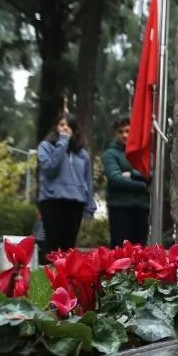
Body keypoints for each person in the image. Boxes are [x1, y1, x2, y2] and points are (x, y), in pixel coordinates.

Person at [37, 112, 95, 262]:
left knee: (68, 246)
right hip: (52, 200)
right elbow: (49, 169)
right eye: (61, 125)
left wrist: (90, 204)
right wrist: (62, 142)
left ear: (75, 130)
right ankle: (51, 277)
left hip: (75, 201)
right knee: (53, 244)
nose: (65, 128)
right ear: (55, 127)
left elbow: (87, 180)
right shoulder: (45, 147)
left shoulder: (82, 153)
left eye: (69, 126)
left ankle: (66, 279)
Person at [102, 114, 151, 247]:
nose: (124, 135)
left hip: (142, 207)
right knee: (120, 250)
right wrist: (141, 184)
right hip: (120, 207)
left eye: (128, 131)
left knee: (140, 250)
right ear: (115, 133)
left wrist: (130, 174)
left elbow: (151, 174)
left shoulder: (142, 153)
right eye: (120, 132)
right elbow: (115, 178)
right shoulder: (110, 154)